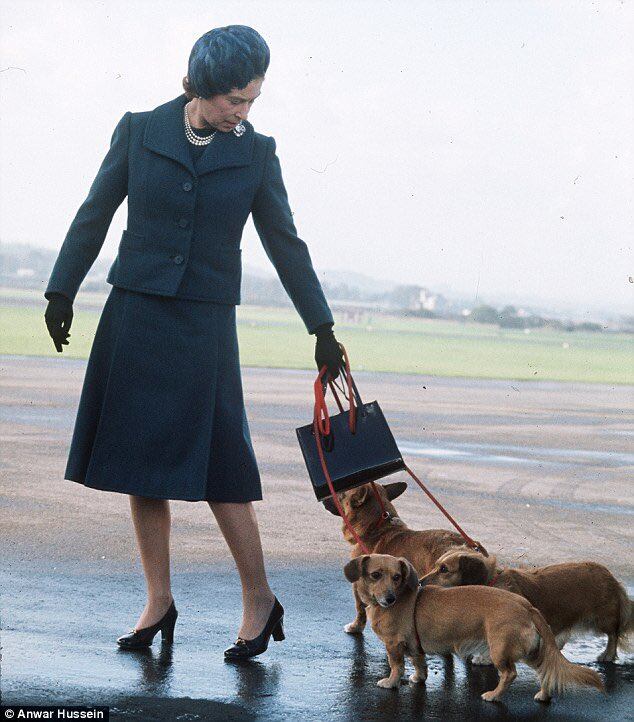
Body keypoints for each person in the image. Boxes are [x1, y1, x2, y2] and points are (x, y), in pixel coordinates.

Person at [43, 25, 344, 660]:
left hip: (205, 324)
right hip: (136, 312)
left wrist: (322, 327)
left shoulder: (257, 155)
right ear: (199, 87)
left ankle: (259, 598)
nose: (243, 112)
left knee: (222, 467)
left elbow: (285, 243)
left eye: (252, 101)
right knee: (138, 462)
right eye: (234, 100)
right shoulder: (139, 130)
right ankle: (158, 601)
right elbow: (94, 212)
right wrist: (61, 289)